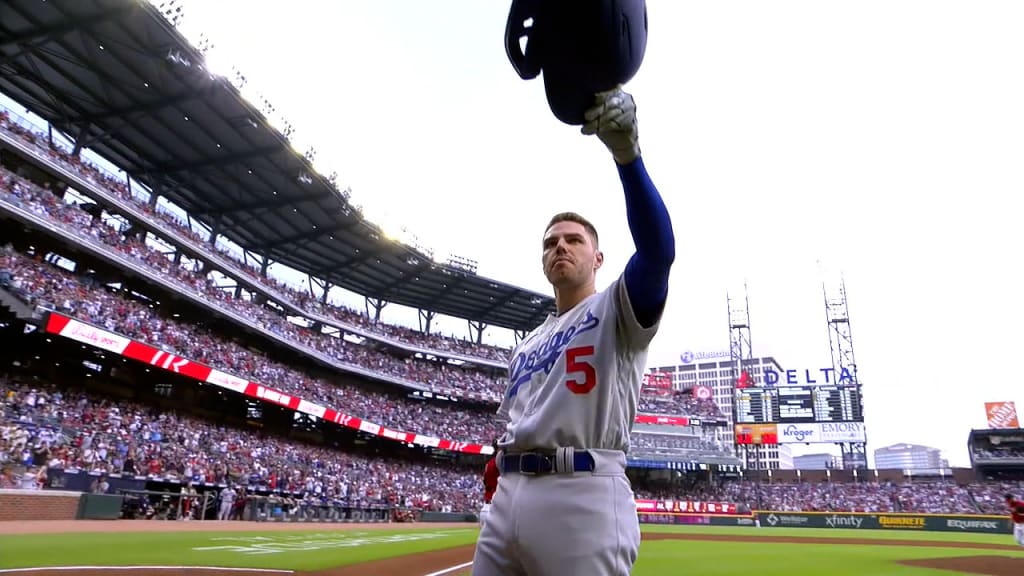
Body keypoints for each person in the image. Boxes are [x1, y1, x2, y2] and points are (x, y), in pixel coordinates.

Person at [471, 87, 675, 576]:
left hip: (582, 493)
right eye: (551, 243)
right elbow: (528, 415)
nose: (560, 247)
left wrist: (627, 157)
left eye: (573, 240)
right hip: (509, 499)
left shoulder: (616, 309)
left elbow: (658, 253)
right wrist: (504, 460)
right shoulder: (526, 346)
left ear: (597, 258)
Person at [479, 440, 500, 527]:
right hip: (496, 510)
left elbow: (485, 481)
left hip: (486, 508)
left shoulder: (489, 463)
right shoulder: (499, 462)